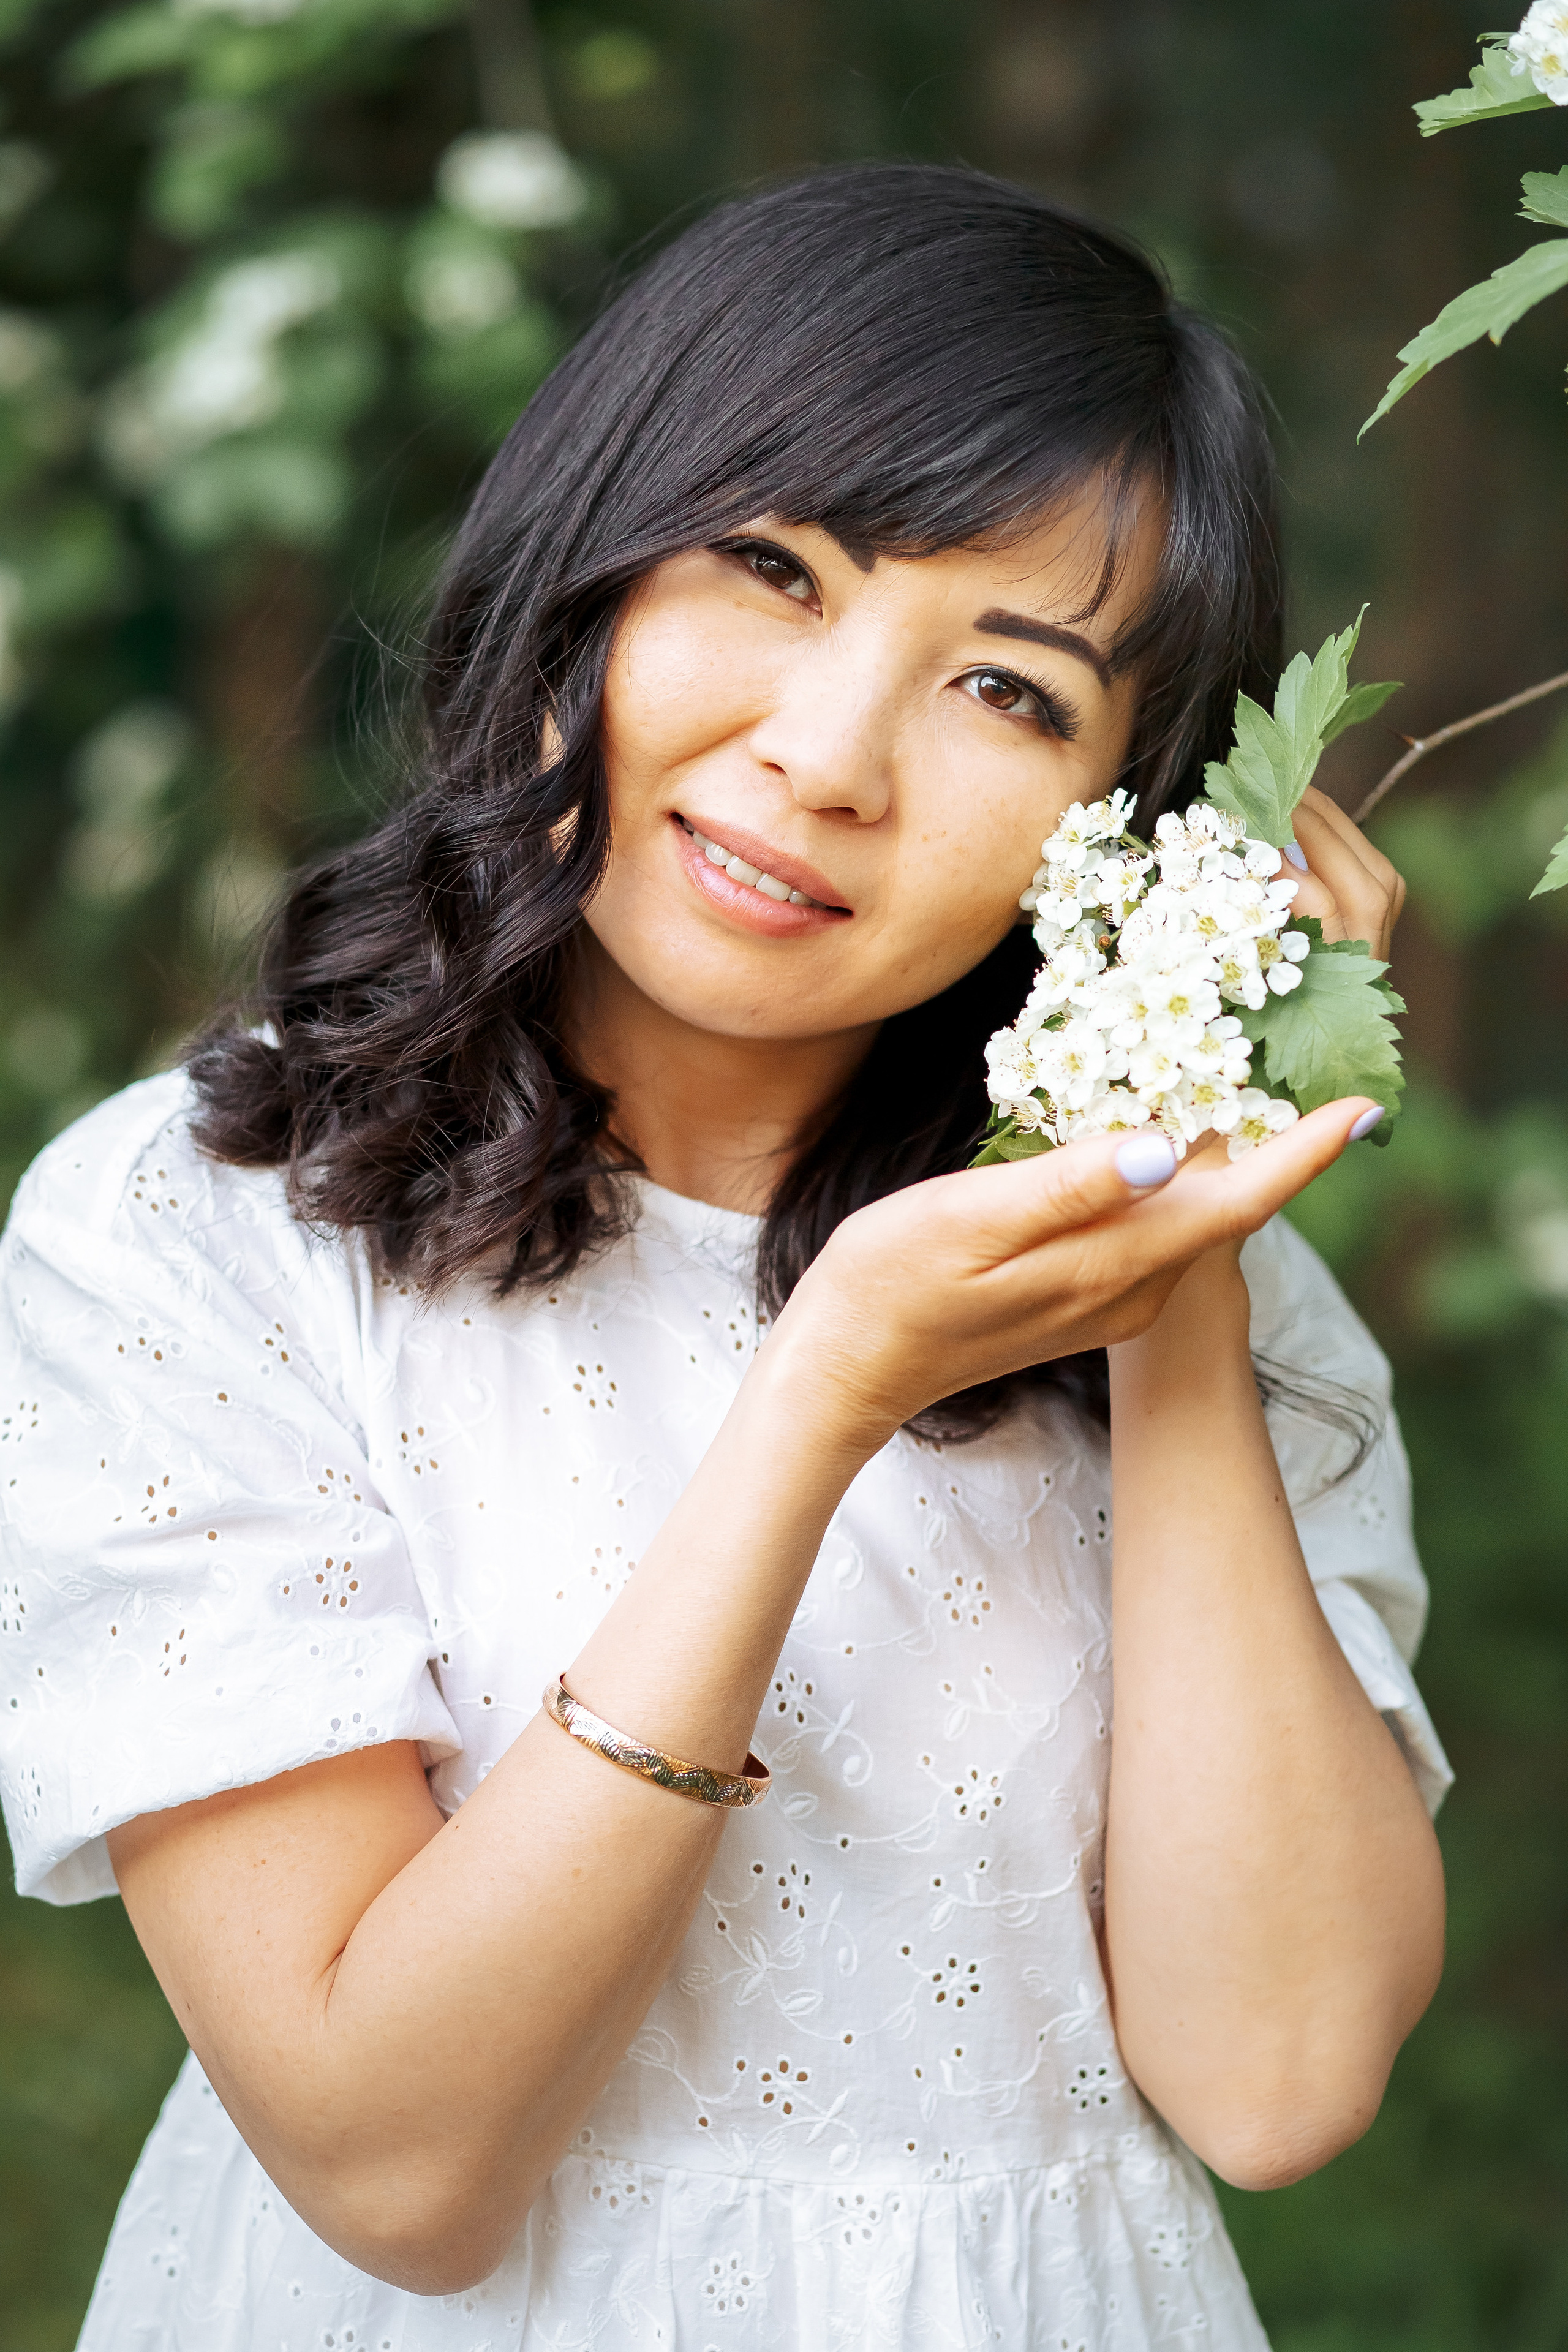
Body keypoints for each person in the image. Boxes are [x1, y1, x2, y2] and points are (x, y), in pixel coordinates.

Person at [0, 165, 1449, 2351]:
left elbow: (1280, 2080)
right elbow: (394, 2165)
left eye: (1012, 692)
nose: (826, 756)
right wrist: (816, 1405)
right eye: (772, 569)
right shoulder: (203, 1231)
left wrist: (1170, 1270)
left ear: (1139, 826)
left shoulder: (1190, 1315)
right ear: (590, 546)